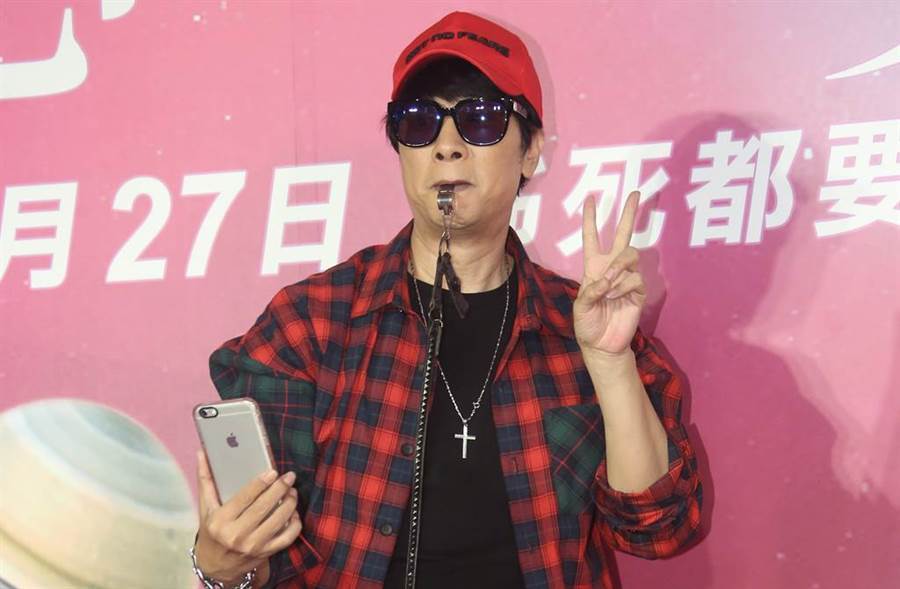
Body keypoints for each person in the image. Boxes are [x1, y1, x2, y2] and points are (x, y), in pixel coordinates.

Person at [192, 11, 702, 589]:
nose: (447, 147)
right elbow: (268, 560)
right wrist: (220, 565)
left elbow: (659, 530)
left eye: (481, 120)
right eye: (419, 122)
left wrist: (609, 363)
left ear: (530, 150)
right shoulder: (311, 323)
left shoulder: (582, 324)